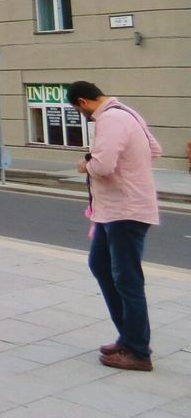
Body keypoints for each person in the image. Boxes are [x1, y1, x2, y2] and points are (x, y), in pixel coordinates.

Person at [67, 80, 162, 372]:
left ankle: (137, 351)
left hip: (125, 211)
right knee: (101, 266)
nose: (82, 115)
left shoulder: (109, 118)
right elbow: (155, 149)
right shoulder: (127, 113)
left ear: (82, 103)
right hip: (111, 211)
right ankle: (130, 338)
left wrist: (85, 164)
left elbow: (103, 166)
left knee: (127, 279)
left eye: (76, 109)